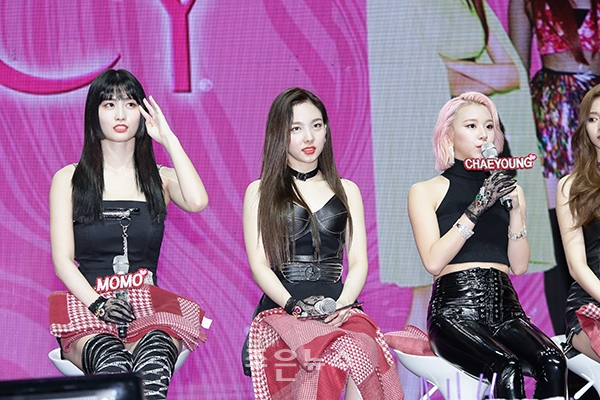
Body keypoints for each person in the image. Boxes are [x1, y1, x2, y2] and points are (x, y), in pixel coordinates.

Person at [48, 69, 209, 400]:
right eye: (109, 104)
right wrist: (99, 305)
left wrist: (169, 138)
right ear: (94, 113)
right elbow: (63, 261)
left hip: (149, 308)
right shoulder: (69, 179)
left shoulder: (161, 179)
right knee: (114, 368)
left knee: (153, 369)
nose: (120, 114)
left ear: (142, 112)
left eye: (130, 104)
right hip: (90, 305)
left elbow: (197, 201)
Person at [243, 87, 404, 400]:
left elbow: (358, 261)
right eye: (296, 128)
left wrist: (344, 303)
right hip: (283, 310)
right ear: (279, 134)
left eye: (316, 125)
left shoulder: (347, 190)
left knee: (363, 349)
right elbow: (259, 264)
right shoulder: (260, 192)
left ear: (326, 130)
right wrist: (293, 305)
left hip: (338, 308)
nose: (309, 137)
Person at [408, 91, 567, 399]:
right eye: (471, 126)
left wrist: (516, 211)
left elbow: (519, 266)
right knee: (506, 366)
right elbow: (433, 261)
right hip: (456, 310)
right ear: (448, 136)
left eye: (489, 126)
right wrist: (478, 206)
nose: (483, 134)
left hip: (506, 308)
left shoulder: (511, 191)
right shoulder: (426, 190)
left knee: (553, 361)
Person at [509, 0, 600, 334]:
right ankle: (569, 337)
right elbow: (517, 68)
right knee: (559, 231)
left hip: (596, 103)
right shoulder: (528, 2)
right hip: (552, 112)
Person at [558, 84, 600, 363]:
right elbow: (576, 266)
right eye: (593, 118)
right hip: (590, 305)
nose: (599, 126)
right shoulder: (570, 186)